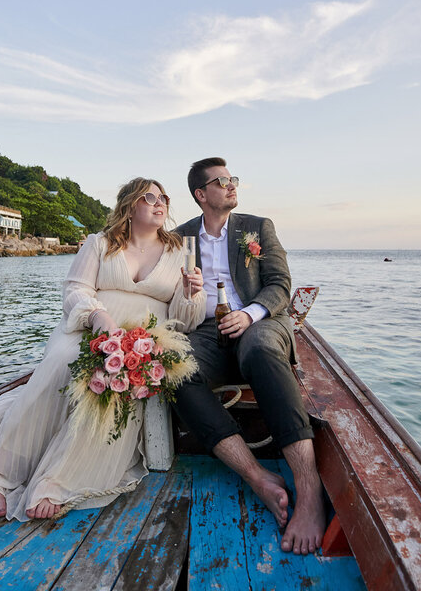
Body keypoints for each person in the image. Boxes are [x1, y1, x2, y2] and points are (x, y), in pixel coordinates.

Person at [0, 177, 205, 521]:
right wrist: (97, 316)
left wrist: (192, 293)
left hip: (143, 336)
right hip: (91, 324)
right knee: (63, 360)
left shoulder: (178, 249)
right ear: (129, 205)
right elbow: (75, 290)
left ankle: (60, 479)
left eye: (163, 198)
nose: (160, 203)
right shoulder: (100, 243)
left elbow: (186, 320)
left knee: (114, 380)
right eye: (149, 197)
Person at [172, 157, 326, 555]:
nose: (231, 185)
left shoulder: (257, 227)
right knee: (175, 369)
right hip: (206, 329)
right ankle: (256, 475)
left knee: (259, 351)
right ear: (201, 195)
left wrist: (249, 314)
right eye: (221, 181)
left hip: (260, 319)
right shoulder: (180, 237)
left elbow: (280, 284)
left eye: (233, 179)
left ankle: (309, 494)